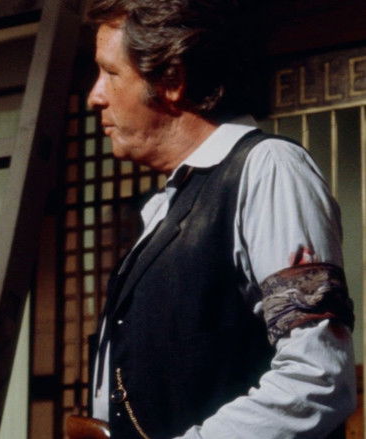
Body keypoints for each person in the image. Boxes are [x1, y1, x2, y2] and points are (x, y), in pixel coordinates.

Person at [85, 1, 356, 438]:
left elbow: (317, 379)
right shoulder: (170, 202)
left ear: (172, 81)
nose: (95, 96)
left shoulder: (269, 168)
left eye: (110, 73)